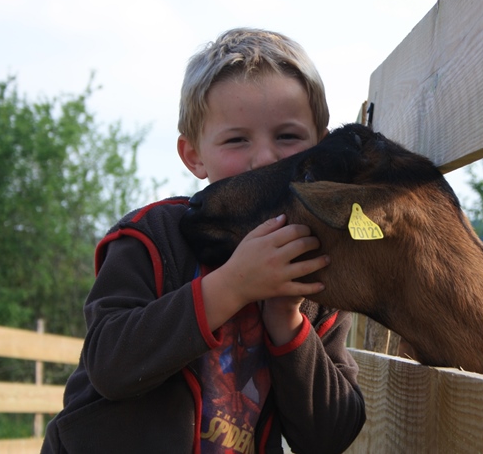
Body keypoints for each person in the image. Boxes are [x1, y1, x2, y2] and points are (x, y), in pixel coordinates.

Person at [41, 28, 366, 454]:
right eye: (237, 139)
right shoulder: (152, 237)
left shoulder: (317, 272)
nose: (265, 157)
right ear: (194, 155)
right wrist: (232, 286)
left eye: (287, 136)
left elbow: (330, 436)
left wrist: (286, 319)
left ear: (319, 146)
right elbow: (109, 365)